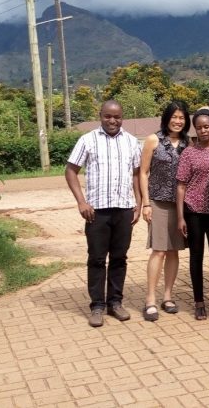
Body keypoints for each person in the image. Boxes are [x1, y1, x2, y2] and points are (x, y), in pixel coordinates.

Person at [65, 100, 141, 327]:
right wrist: (81, 202)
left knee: (119, 258)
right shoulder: (87, 140)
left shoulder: (131, 142)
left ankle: (115, 303)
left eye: (117, 117)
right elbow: (71, 170)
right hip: (96, 212)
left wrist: (138, 203)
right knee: (97, 259)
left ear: (122, 118)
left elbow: (137, 174)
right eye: (108, 116)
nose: (112, 121)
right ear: (100, 116)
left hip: (124, 210)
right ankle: (97, 305)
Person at [139, 101, 190, 322]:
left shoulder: (189, 143)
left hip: (181, 205)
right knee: (158, 250)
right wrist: (146, 203)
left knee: (174, 251)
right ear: (167, 118)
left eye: (182, 118)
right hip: (158, 202)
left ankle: (167, 296)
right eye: (174, 117)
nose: (178, 121)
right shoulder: (153, 140)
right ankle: (150, 299)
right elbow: (143, 173)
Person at [177, 108, 209, 320]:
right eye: (198, 127)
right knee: (196, 256)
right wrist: (180, 216)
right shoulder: (189, 152)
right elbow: (181, 185)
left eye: (206, 126)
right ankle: (198, 302)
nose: (203, 130)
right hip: (194, 210)